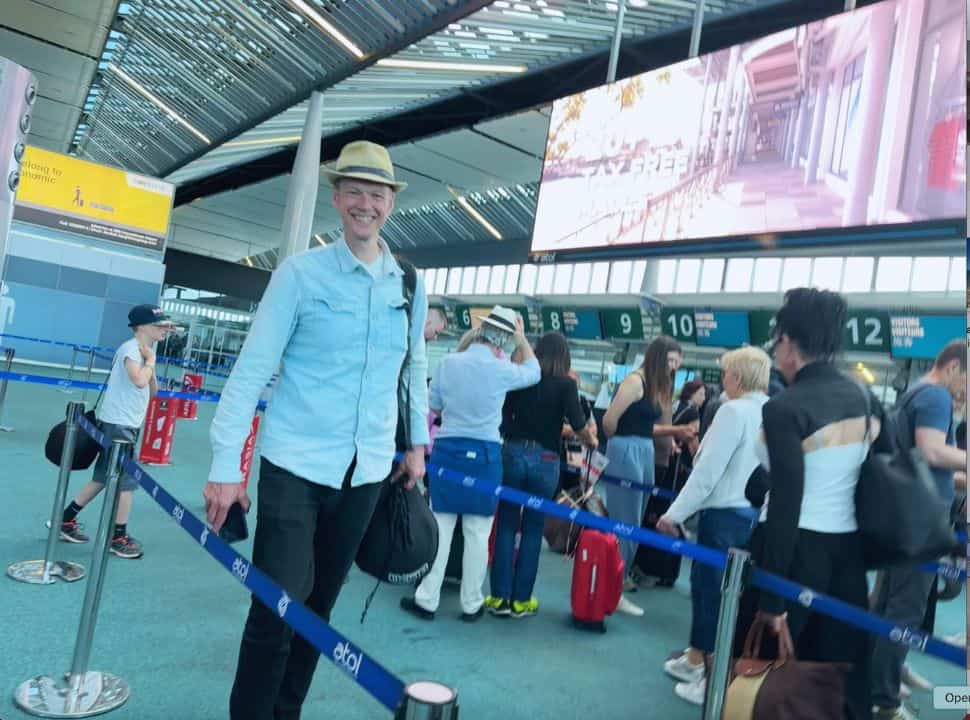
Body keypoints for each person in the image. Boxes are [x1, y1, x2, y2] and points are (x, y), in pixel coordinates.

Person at [204, 140, 430, 720]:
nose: (365, 204)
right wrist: (226, 467)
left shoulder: (407, 283)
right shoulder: (299, 275)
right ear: (336, 198)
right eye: (354, 191)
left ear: (390, 203)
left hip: (367, 472)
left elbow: (414, 367)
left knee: (318, 612)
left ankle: (286, 713)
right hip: (295, 466)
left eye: (376, 194)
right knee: (275, 606)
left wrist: (416, 445)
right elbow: (251, 370)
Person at [735, 287, 892, 720]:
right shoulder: (863, 397)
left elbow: (787, 505)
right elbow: (881, 470)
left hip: (791, 554)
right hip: (846, 560)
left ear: (787, 343)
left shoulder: (785, 407)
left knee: (767, 682)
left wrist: (772, 600)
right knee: (837, 681)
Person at [401, 306, 539, 622]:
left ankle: (427, 599)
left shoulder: (448, 363)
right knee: (477, 534)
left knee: (440, 526)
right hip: (485, 457)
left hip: (448, 451)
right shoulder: (502, 370)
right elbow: (534, 371)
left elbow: (434, 406)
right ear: (504, 340)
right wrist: (522, 340)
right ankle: (471, 604)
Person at [656, 347, 770, 705]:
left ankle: (711, 680)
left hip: (723, 517)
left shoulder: (732, 411)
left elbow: (707, 473)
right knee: (729, 597)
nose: (722, 380)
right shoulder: (770, 410)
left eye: (725, 373)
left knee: (711, 596)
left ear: (737, 377)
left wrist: (673, 514)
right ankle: (698, 660)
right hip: (752, 516)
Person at [870, 339, 967, 720]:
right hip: (921, 520)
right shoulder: (936, 397)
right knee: (905, 608)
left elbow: (925, 461)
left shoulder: (915, 392)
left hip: (907, 512)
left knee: (887, 603)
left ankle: (879, 680)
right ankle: (885, 698)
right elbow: (932, 451)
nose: (965, 390)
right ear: (954, 367)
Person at [487, 332, 596, 618]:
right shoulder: (566, 385)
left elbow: (503, 415)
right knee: (534, 528)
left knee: (507, 523)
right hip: (546, 459)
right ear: (565, 357)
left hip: (512, 452)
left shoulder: (523, 378)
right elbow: (579, 423)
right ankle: (521, 601)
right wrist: (590, 440)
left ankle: (499, 597)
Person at [55, 304, 175, 558]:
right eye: (160, 324)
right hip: (120, 425)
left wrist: (151, 363)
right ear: (143, 327)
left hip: (123, 423)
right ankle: (118, 537)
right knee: (127, 483)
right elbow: (139, 380)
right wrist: (151, 362)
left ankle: (66, 519)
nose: (165, 329)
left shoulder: (144, 351)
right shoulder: (131, 350)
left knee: (103, 477)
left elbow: (152, 391)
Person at [602, 336, 695, 616]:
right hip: (626, 448)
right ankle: (612, 589)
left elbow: (647, 425)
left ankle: (616, 584)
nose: (675, 366)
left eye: (678, 361)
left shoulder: (656, 385)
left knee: (635, 522)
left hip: (644, 449)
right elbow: (609, 421)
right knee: (625, 522)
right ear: (657, 357)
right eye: (670, 360)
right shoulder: (634, 382)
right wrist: (620, 444)